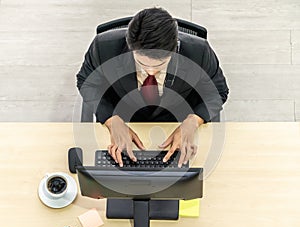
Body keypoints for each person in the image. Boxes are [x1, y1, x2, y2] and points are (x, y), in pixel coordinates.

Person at [76, 7, 229, 167]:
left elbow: (218, 91)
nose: (151, 71)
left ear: (175, 49)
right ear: (130, 48)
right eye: (142, 63)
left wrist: (193, 121)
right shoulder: (103, 47)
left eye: (160, 65)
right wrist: (110, 119)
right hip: (124, 124)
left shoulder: (199, 52)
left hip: (175, 126)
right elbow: (87, 82)